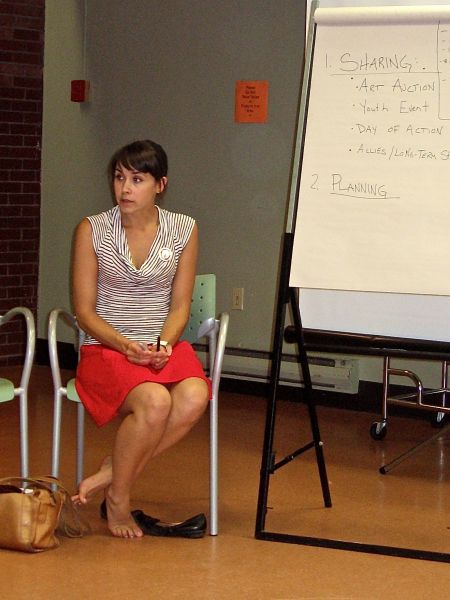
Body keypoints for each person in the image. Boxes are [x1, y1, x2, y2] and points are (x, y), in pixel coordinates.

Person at [71, 139, 211, 539]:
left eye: (137, 179)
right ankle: (118, 500)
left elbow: (181, 305)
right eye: (119, 178)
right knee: (155, 400)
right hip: (106, 347)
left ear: (160, 184)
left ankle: (110, 475)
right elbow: (84, 311)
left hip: (159, 347)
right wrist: (124, 345)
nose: (125, 189)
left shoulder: (184, 229)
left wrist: (163, 346)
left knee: (195, 395)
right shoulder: (92, 229)